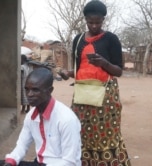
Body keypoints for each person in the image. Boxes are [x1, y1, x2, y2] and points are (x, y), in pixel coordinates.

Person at [59, 0, 131, 165]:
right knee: (80, 131)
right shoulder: (77, 39)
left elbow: (118, 71)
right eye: (90, 22)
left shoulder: (111, 39)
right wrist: (67, 73)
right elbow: (79, 69)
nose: (94, 25)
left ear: (103, 20)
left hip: (105, 96)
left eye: (98, 22)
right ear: (85, 19)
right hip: (82, 94)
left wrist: (103, 63)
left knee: (107, 134)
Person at [0, 67, 82, 166]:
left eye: (35, 90)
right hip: (39, 163)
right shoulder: (31, 116)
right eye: (27, 89)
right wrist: (11, 162)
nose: (29, 94)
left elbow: (70, 162)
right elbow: (21, 146)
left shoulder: (66, 119)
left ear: (50, 91)